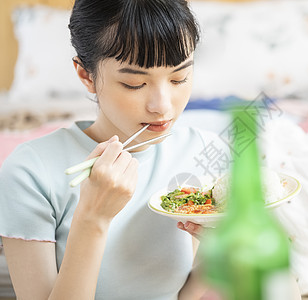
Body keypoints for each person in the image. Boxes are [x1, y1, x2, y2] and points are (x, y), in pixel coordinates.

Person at [0, 0, 227, 299]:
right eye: (134, 83)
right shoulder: (30, 172)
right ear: (86, 75)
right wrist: (93, 218)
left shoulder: (202, 150)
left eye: (179, 78)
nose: (163, 106)